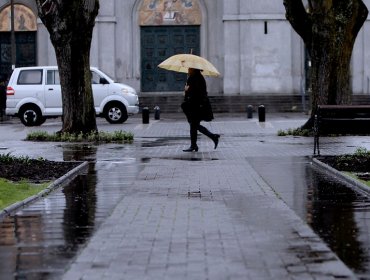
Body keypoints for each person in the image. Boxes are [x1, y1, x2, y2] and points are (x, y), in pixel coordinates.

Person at [181, 68, 220, 152]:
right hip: (194, 105)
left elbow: (197, 92)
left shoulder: (197, 78)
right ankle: (194, 145)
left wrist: (187, 90)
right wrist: (186, 90)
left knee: (194, 124)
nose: (188, 69)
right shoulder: (193, 77)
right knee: (193, 125)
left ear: (194, 69)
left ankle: (213, 136)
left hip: (197, 106)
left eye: (190, 68)